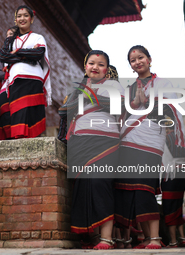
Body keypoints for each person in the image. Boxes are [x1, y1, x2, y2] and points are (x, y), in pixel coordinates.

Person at [114, 45, 185, 249]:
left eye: (141, 57)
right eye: (133, 60)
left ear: (149, 59)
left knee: (145, 187)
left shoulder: (163, 84)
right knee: (130, 189)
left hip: (151, 142)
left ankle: (155, 238)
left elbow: (171, 114)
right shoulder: (128, 90)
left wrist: (148, 105)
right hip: (128, 142)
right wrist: (135, 104)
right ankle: (145, 237)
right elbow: (121, 117)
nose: (137, 62)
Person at [59, 50, 124, 250]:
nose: (95, 67)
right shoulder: (78, 88)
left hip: (105, 141)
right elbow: (63, 111)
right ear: (85, 66)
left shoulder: (113, 85)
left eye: (101, 64)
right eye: (91, 63)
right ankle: (93, 237)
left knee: (100, 183)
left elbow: (115, 106)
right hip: (80, 141)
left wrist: (87, 95)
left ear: (106, 69)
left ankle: (106, 238)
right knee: (83, 188)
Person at [0, 5, 51, 139]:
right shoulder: (10, 40)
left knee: (32, 111)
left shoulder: (38, 37)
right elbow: (4, 56)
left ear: (32, 19)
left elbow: (39, 53)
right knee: (18, 109)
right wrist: (28, 54)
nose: (22, 18)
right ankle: (19, 140)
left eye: (25, 15)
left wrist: (17, 52)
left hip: (34, 79)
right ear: (15, 20)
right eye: (19, 16)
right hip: (16, 80)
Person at [161, 123, 185, 248]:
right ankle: (182, 237)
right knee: (178, 205)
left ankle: (173, 241)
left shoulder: (166, 139)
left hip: (170, 175)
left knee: (169, 207)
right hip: (182, 173)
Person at [0, 26, 17, 140]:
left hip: (18, 87)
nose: (9, 37)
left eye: (12, 34)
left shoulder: (22, 53)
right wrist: (9, 74)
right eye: (7, 34)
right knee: (5, 115)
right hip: (5, 88)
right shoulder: (2, 56)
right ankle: (9, 140)